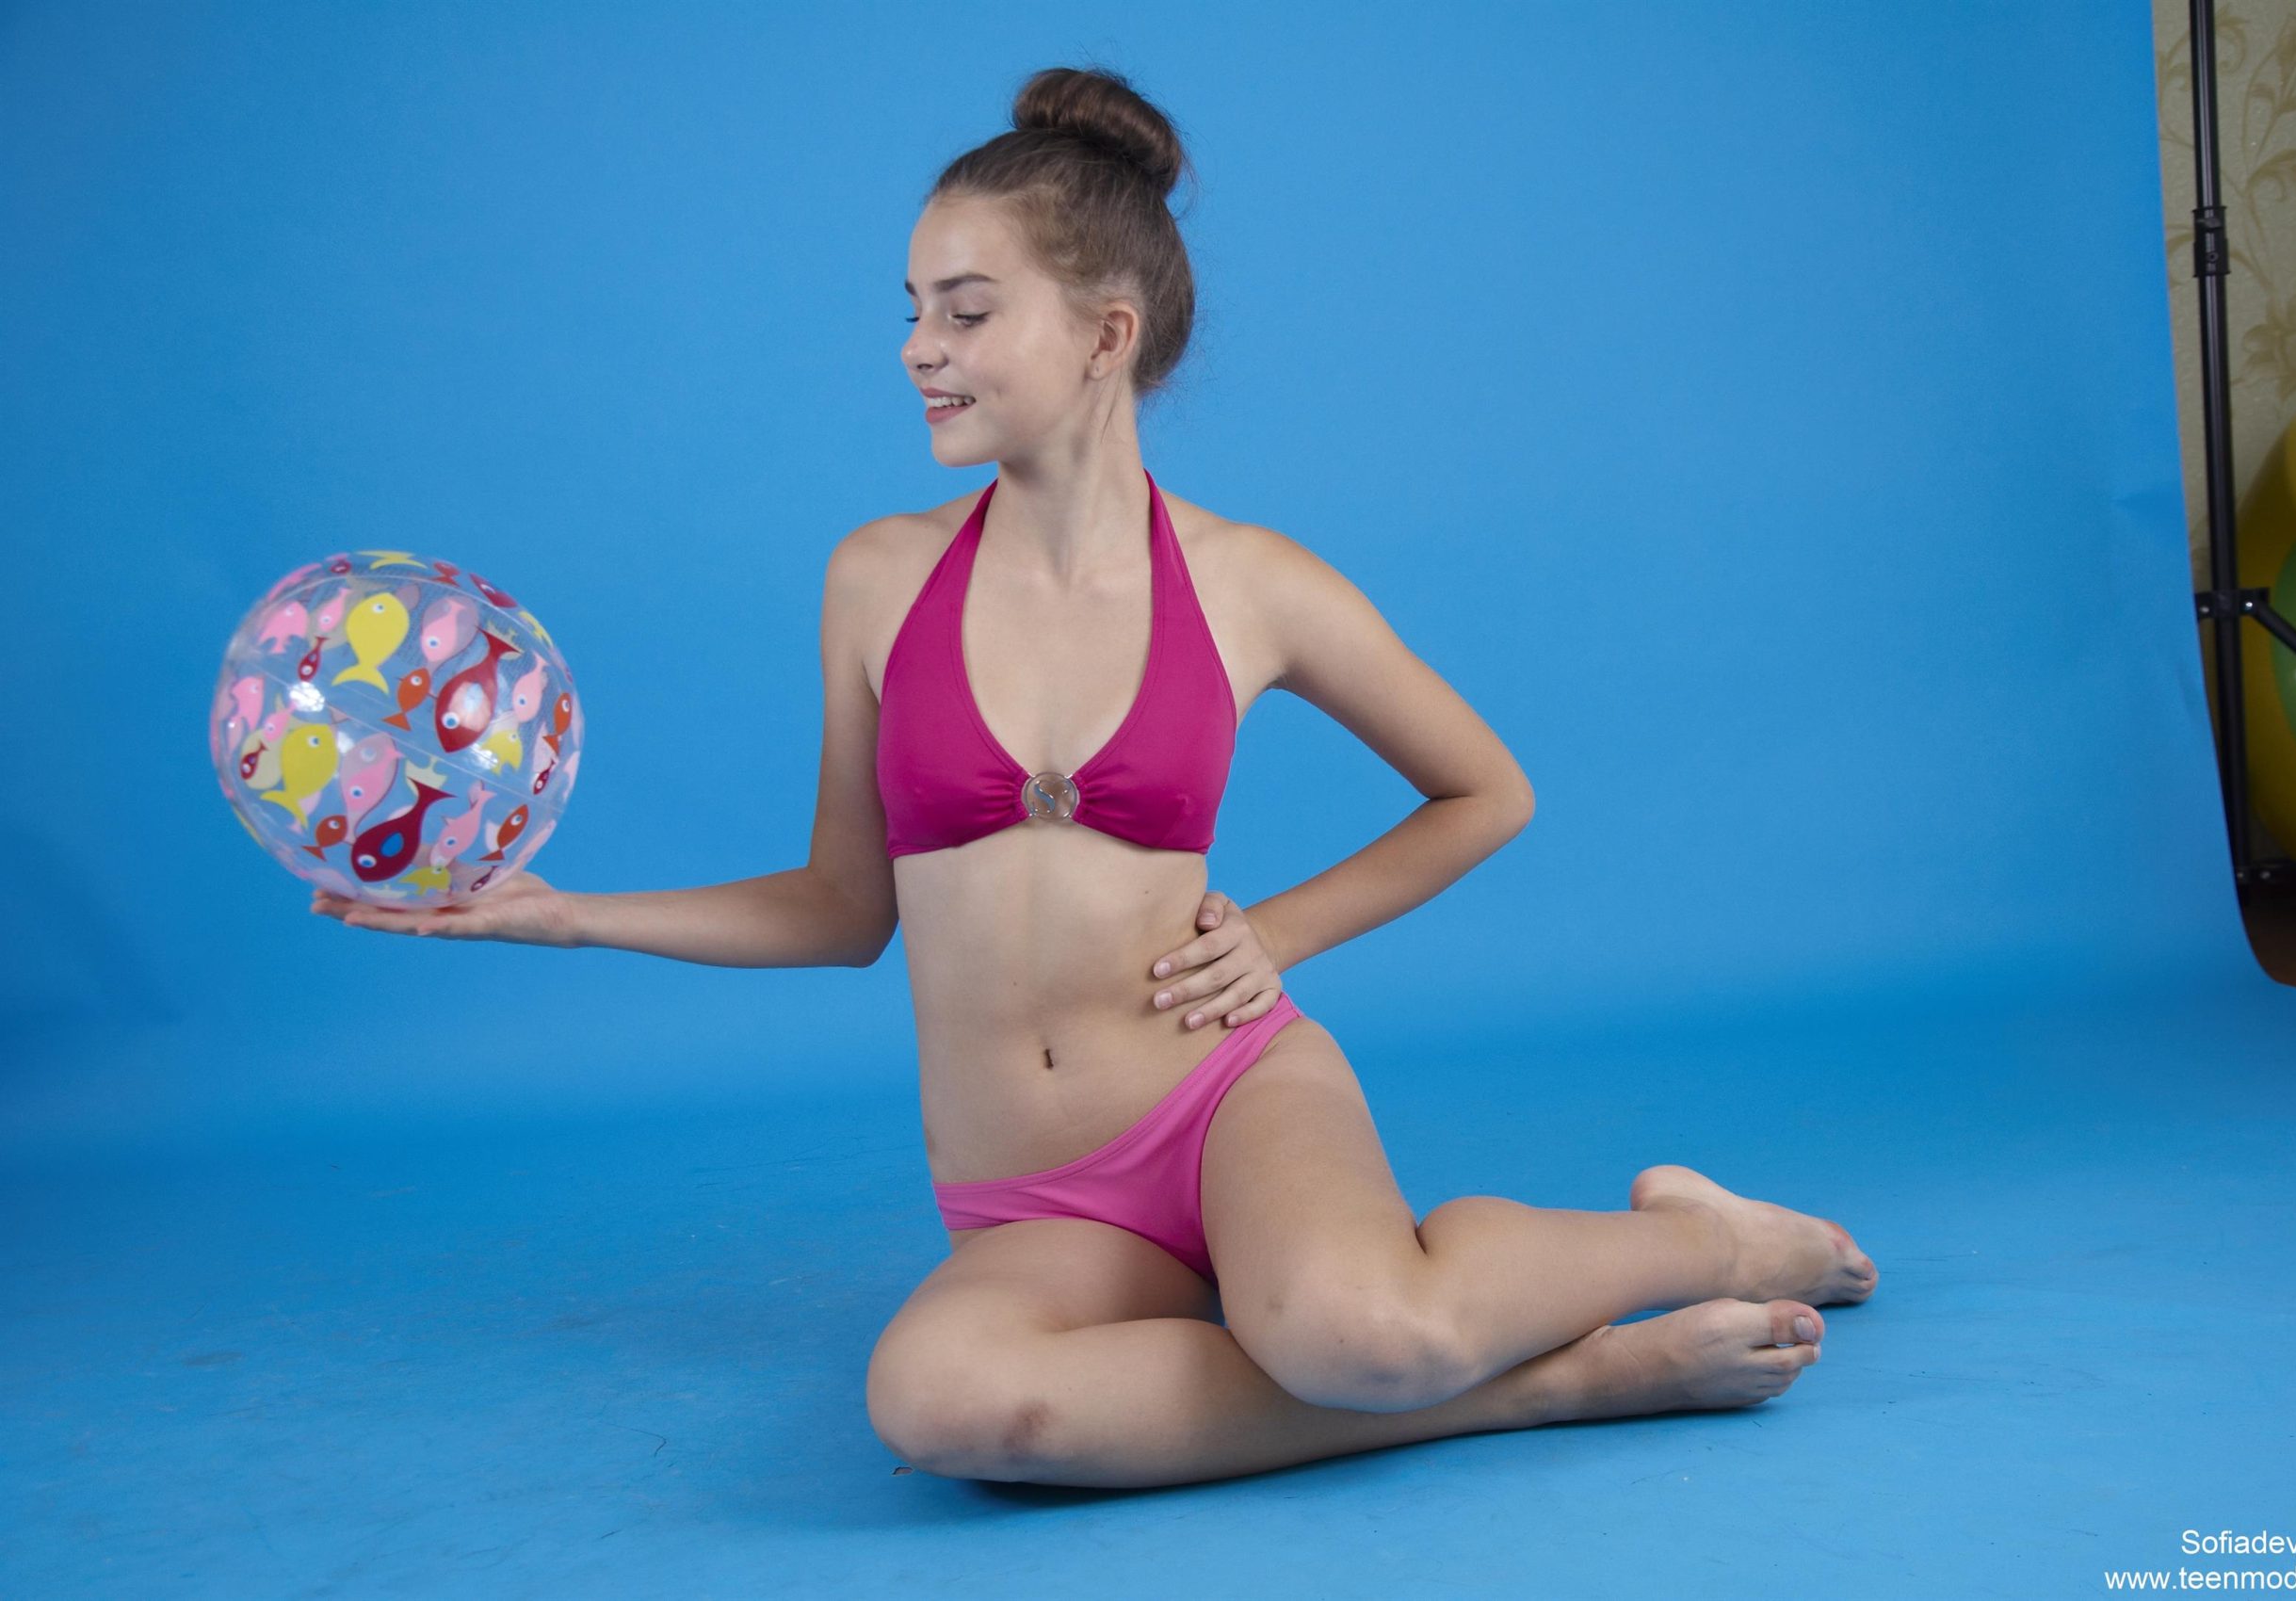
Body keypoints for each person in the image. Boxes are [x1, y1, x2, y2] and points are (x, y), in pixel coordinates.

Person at [313, 62, 1878, 1491]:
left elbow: (1488, 791)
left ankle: (1695, 1239)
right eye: (912, 310)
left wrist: (1277, 934)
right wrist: (566, 915)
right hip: (1038, 1198)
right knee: (939, 1405)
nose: (917, 349)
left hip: (1226, 1101)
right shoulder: (877, 581)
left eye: (966, 311)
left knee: (1360, 1334)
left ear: (1104, 335)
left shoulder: (1252, 584)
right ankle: (1546, 1386)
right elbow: (845, 909)